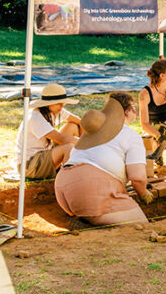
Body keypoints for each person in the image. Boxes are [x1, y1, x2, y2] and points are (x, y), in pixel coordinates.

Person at [55, 92, 152, 226]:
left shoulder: (91, 132)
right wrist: (143, 194)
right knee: (142, 225)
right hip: (89, 190)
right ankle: (92, 222)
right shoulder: (130, 135)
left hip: (63, 188)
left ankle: (86, 221)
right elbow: (138, 178)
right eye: (134, 108)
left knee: (96, 212)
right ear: (127, 111)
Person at [15, 83, 82, 179]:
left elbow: (80, 122)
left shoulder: (55, 110)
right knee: (68, 147)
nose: (62, 106)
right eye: (58, 103)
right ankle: (68, 180)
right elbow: (61, 139)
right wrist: (87, 144)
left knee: (73, 126)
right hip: (30, 165)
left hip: (45, 154)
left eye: (63, 103)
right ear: (47, 104)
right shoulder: (35, 117)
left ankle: (75, 166)